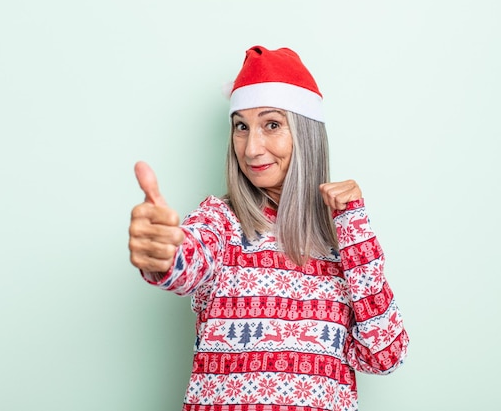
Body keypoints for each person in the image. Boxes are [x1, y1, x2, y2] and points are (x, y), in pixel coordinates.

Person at [128, 45, 409, 411]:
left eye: (272, 125)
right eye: (241, 127)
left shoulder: (343, 238)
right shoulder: (221, 222)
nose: (251, 149)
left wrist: (354, 228)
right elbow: (187, 259)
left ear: (305, 133)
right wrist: (163, 255)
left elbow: (384, 356)